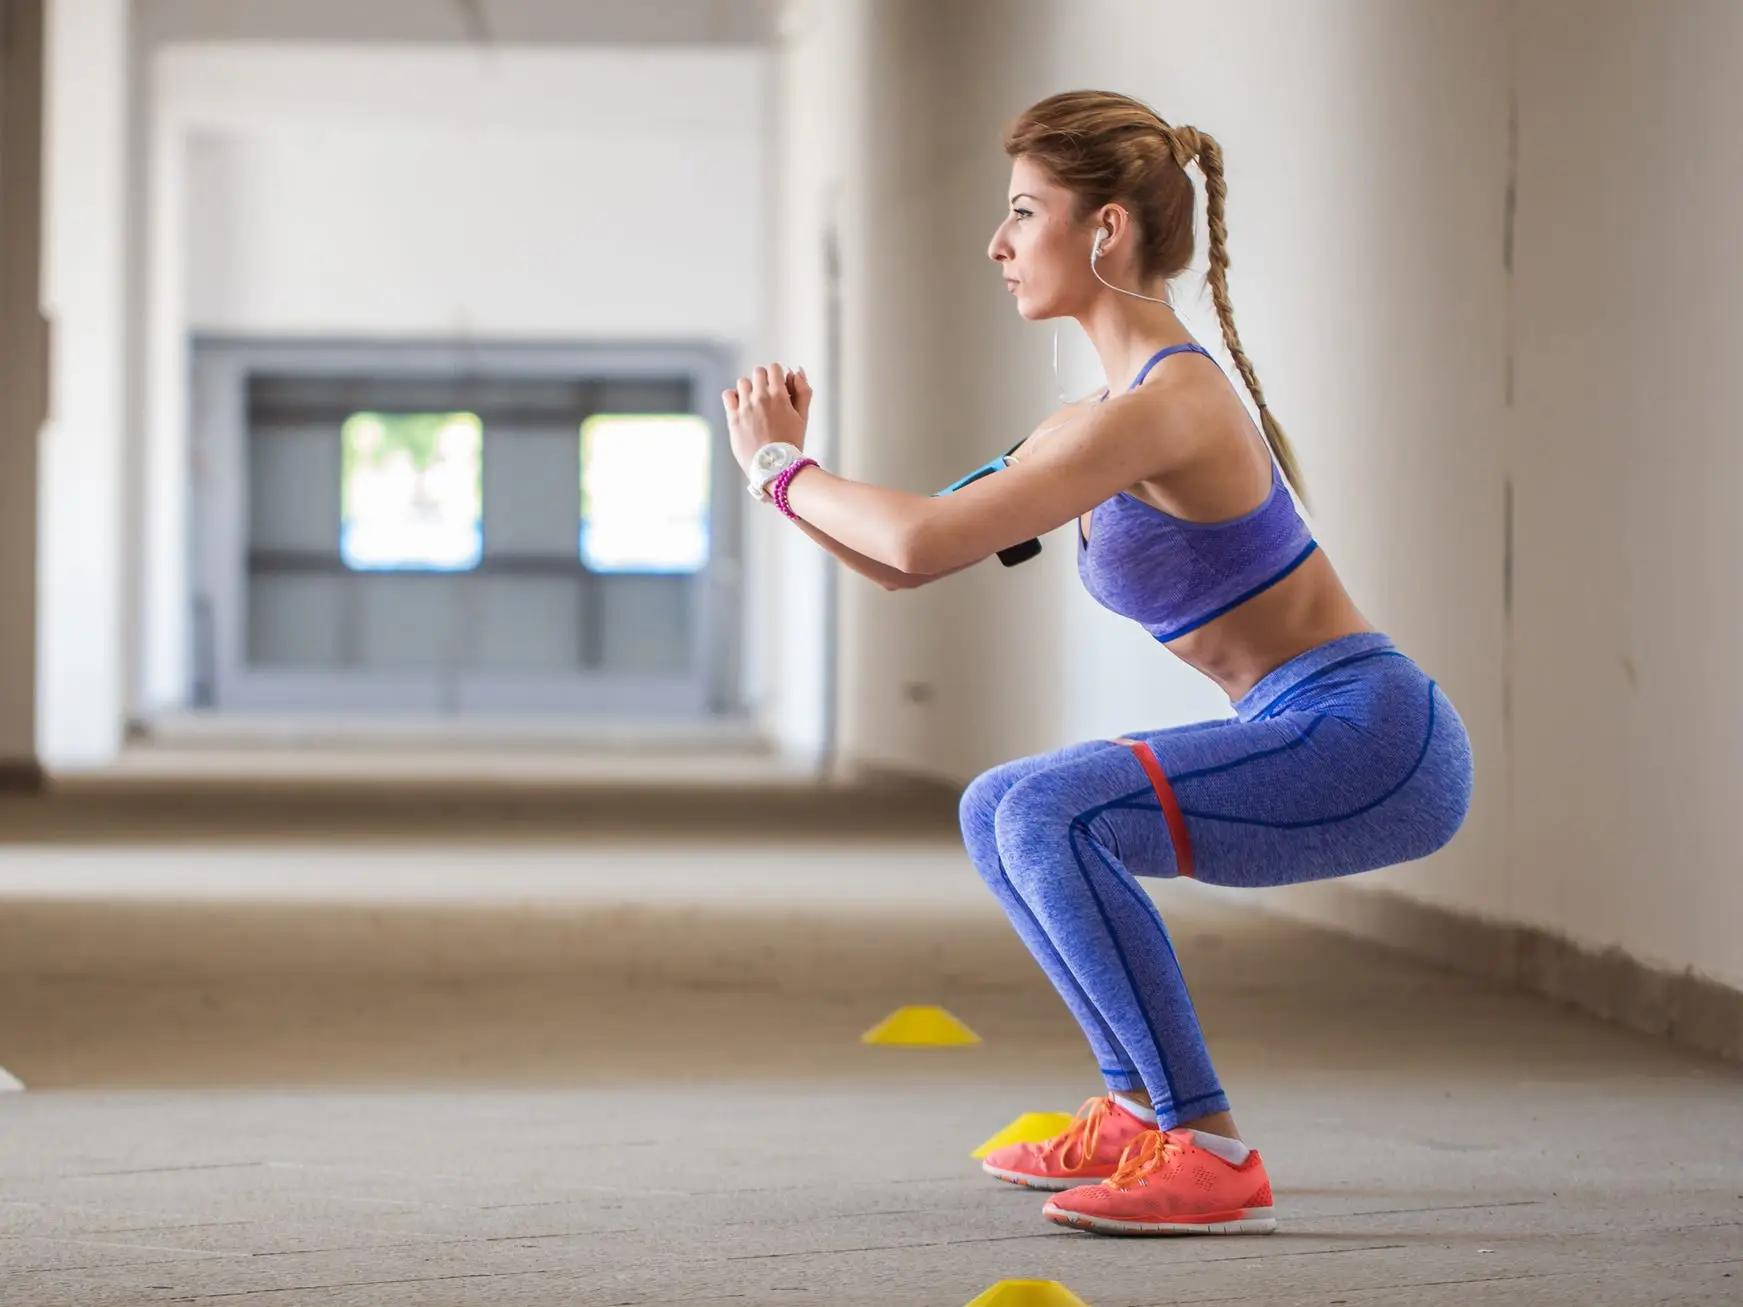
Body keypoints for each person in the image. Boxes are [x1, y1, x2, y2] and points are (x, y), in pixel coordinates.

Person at [721, 90, 1473, 1237]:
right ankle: (1134, 1109)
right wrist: (780, 475)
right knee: (998, 805)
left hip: (1370, 739)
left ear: (1107, 229)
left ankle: (1208, 1143)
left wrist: (781, 465)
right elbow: (909, 561)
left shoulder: (1171, 403)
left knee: (1053, 815)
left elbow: (916, 538)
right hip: (1304, 722)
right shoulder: (1082, 423)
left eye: (1025, 212)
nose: (999, 243)